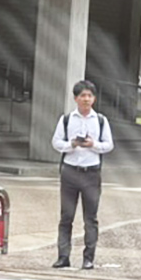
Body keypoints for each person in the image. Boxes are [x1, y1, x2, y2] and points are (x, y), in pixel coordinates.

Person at [51, 79, 114, 269]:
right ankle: (63, 256)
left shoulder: (101, 120)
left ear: (94, 99)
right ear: (75, 98)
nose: (86, 99)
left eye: (89, 96)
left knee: (90, 218)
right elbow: (56, 142)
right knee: (66, 216)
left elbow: (109, 145)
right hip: (70, 171)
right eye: (82, 96)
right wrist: (72, 144)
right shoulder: (67, 119)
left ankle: (88, 258)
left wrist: (92, 144)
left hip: (91, 173)